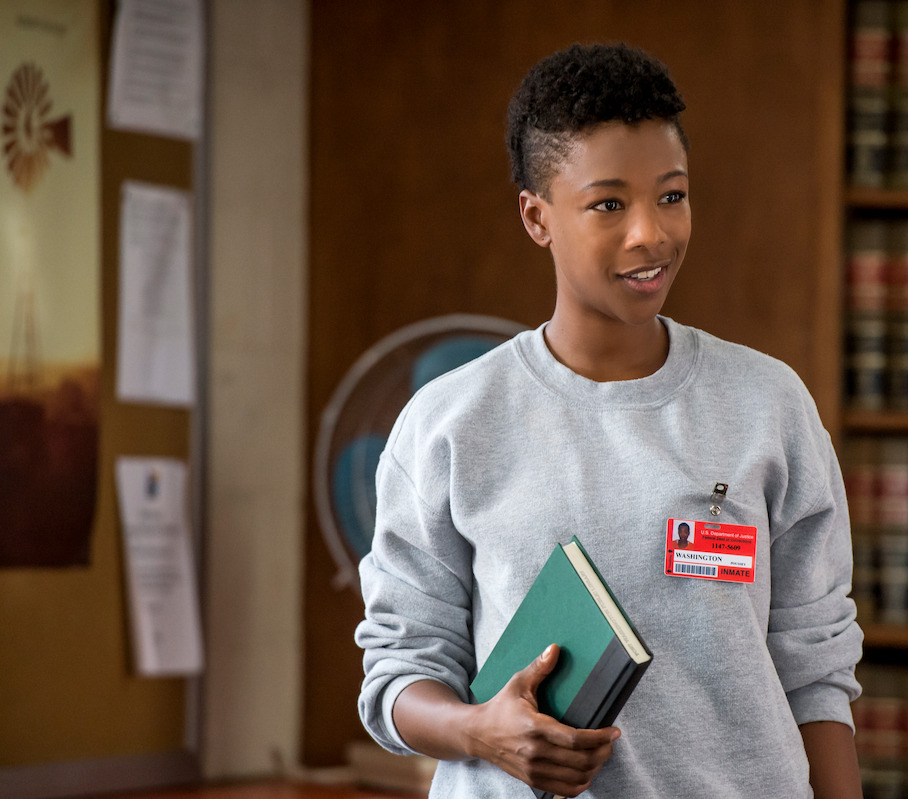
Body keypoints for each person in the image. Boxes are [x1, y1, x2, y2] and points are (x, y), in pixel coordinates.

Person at [356, 42, 864, 799]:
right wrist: (480, 731)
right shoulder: (450, 423)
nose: (650, 235)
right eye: (608, 204)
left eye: (671, 195)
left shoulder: (770, 406)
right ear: (537, 216)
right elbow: (399, 670)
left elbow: (816, 669)